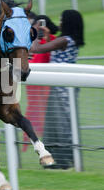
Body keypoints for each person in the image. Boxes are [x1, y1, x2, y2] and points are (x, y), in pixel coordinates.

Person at [43, 9, 85, 170]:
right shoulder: (68, 40)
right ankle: (61, 158)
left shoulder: (65, 40)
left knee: (61, 124)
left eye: (61, 19)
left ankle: (63, 159)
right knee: (60, 123)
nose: (59, 22)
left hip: (62, 89)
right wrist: (47, 37)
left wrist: (31, 39)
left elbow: (40, 49)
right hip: (62, 87)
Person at [22, 14, 59, 152]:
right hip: (33, 87)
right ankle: (26, 144)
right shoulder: (31, 42)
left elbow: (50, 54)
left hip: (44, 86)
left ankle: (44, 141)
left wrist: (47, 37)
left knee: (43, 114)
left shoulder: (53, 40)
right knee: (32, 112)